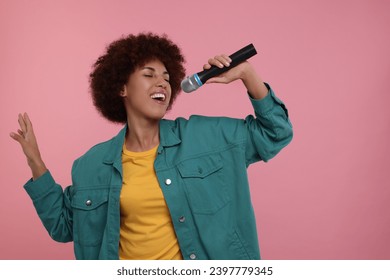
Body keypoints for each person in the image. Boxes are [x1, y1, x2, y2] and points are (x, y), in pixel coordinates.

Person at [10, 32, 293, 260]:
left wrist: (246, 74)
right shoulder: (91, 165)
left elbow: (275, 133)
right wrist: (35, 161)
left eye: (167, 77)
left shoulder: (206, 136)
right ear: (121, 88)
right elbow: (63, 227)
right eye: (149, 75)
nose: (163, 83)